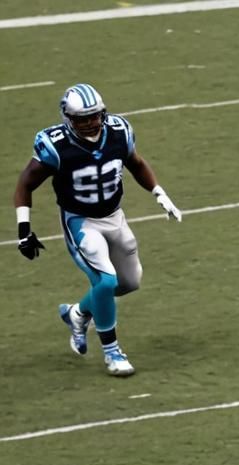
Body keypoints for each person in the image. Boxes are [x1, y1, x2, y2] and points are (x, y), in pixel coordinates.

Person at [13, 83, 182, 377]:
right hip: (81, 221)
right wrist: (24, 229)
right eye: (83, 119)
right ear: (68, 119)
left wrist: (159, 193)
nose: (91, 123)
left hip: (115, 217)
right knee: (105, 282)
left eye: (95, 115)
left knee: (129, 282)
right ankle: (112, 352)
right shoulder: (55, 146)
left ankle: (77, 313)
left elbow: (136, 163)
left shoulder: (118, 131)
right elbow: (25, 184)